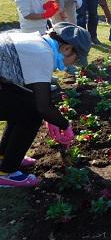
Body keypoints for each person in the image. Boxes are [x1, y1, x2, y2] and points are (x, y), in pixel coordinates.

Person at [0, 22, 91, 187]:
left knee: (24, 105)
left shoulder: (36, 42)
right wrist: (65, 124)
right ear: (67, 48)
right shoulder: (44, 54)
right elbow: (42, 107)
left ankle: (5, 156)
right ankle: (7, 172)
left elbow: (28, 91)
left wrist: (51, 116)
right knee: (32, 114)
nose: (73, 64)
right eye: (76, 59)